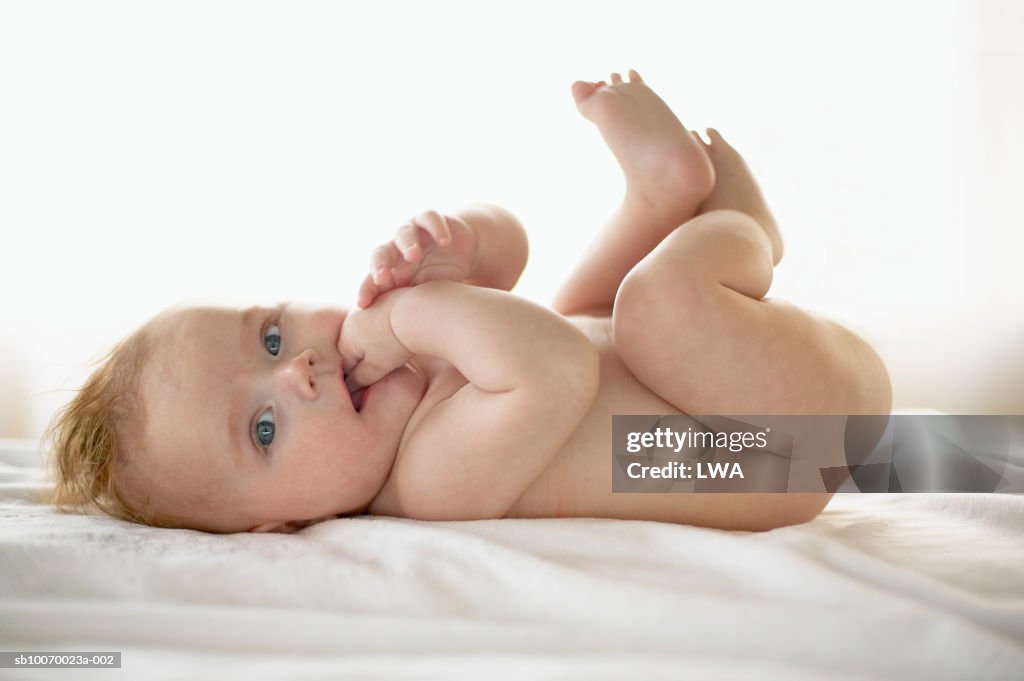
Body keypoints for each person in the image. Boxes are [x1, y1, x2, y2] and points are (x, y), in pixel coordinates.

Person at [46, 69, 891, 534]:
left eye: (270, 338)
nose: (301, 370)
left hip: (721, 406)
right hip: (770, 449)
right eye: (264, 428)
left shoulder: (398, 376)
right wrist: (419, 309)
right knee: (650, 315)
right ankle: (749, 232)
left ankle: (661, 195)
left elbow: (513, 260)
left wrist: (461, 249)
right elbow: (554, 368)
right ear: (280, 525)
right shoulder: (428, 480)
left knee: (581, 306)